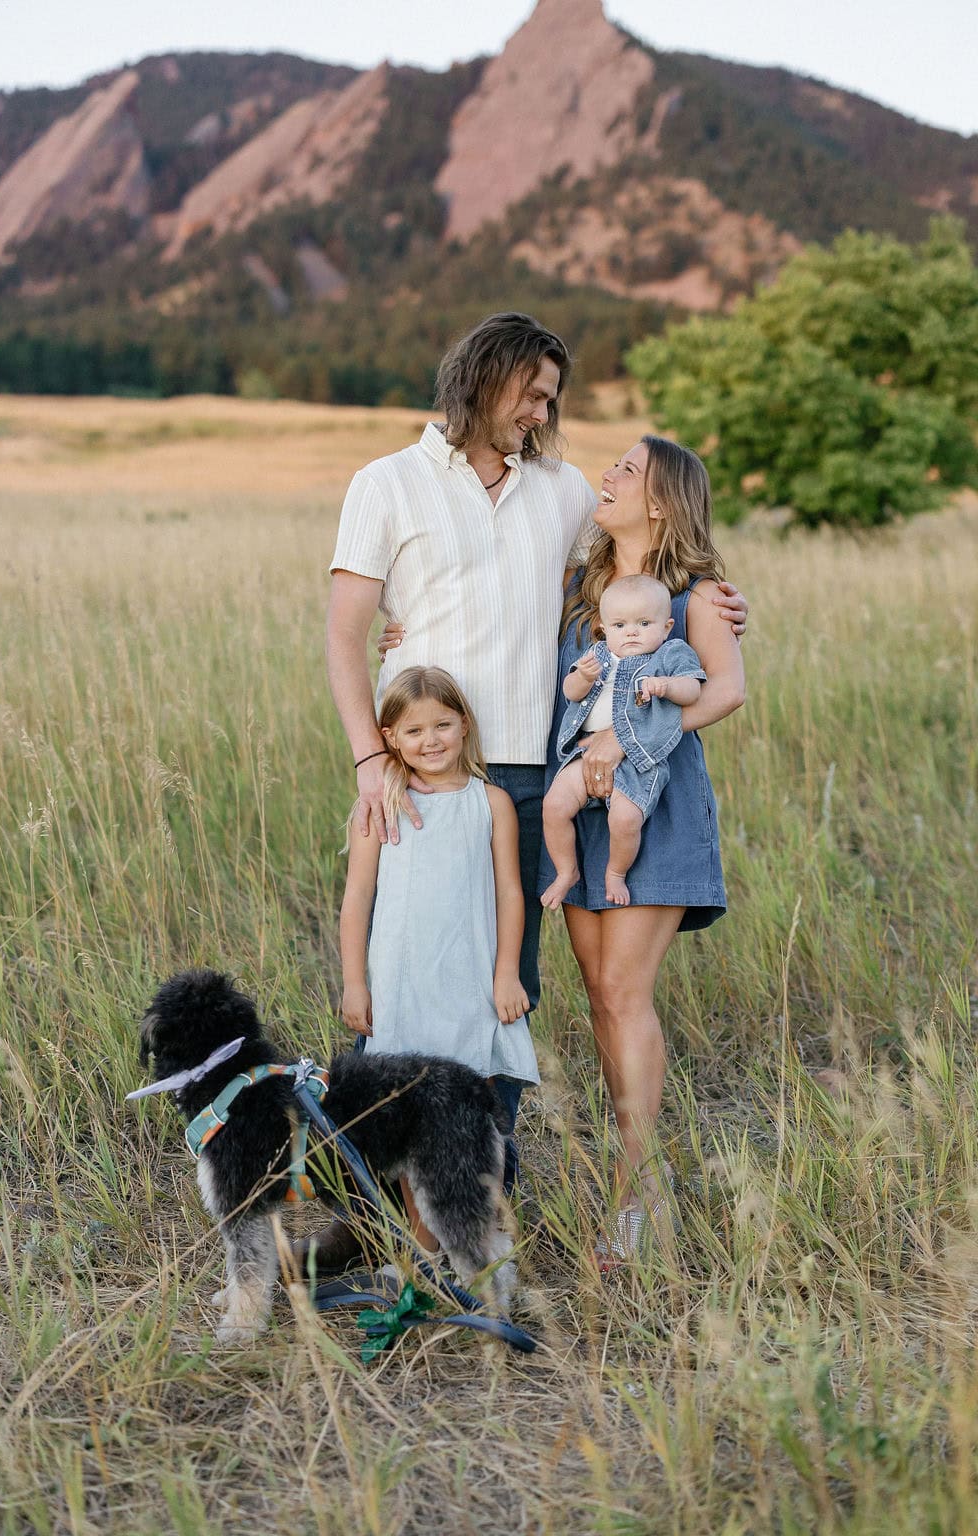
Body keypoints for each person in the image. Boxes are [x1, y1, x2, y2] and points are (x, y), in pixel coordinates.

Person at [316, 312, 747, 1275]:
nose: (544, 414)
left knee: (506, 991)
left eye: (554, 399)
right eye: (534, 394)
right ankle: (384, 1199)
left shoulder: (559, 495)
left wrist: (713, 608)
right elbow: (349, 631)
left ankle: (474, 1198)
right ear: (486, 378)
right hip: (427, 774)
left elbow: (638, 597)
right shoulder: (385, 484)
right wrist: (368, 758)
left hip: (538, 776)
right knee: (406, 980)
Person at [541, 434, 745, 1267]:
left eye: (629, 469)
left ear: (660, 502)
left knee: (625, 990)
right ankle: (638, 1179)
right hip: (575, 806)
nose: (609, 474)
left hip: (647, 804)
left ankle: (638, 1195)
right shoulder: (577, 587)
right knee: (597, 991)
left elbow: (727, 690)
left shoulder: (695, 594)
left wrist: (630, 739)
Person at [339, 666, 538, 1255]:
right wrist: (355, 983)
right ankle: (425, 1253)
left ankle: (473, 1244)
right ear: (390, 737)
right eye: (415, 730)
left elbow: (510, 893)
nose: (432, 740)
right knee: (409, 1119)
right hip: (404, 986)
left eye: (443, 725)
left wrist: (507, 974)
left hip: (470, 983)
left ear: (464, 725)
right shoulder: (382, 803)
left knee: (468, 1120)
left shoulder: (491, 801)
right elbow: (357, 901)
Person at [541, 573, 705, 910]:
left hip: (639, 761)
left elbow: (693, 689)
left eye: (644, 623)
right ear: (603, 628)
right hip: (585, 754)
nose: (631, 632)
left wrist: (668, 686)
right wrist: (582, 678)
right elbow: (570, 692)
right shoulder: (597, 655)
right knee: (554, 806)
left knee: (626, 818)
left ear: (666, 626)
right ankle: (565, 870)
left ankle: (616, 873)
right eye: (619, 625)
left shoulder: (671, 654)